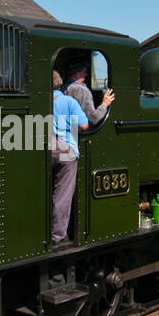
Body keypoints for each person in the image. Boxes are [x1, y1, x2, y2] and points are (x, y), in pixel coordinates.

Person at [52, 69, 89, 246]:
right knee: (63, 195)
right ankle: (57, 235)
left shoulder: (42, 101)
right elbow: (84, 125)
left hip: (43, 147)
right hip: (65, 148)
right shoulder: (68, 101)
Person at [64, 59, 115, 125]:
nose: (86, 74)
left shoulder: (64, 87)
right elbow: (93, 119)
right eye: (84, 72)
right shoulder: (82, 90)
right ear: (77, 73)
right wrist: (105, 104)